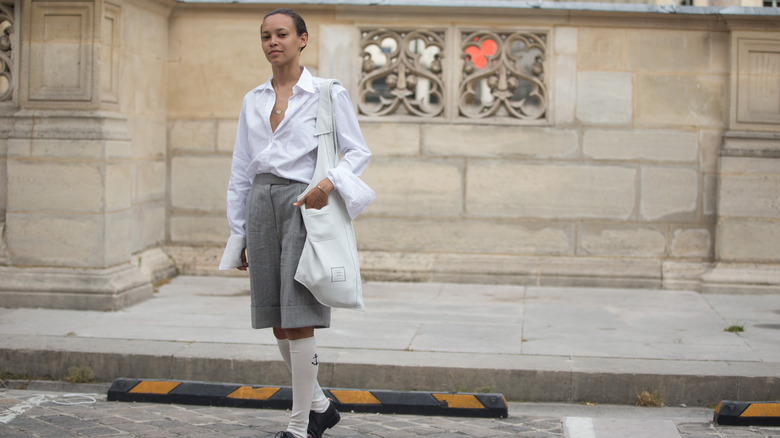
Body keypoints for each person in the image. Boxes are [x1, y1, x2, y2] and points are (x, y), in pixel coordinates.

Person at [218, 8, 373, 438]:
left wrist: (329, 182)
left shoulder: (326, 92)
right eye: (266, 35)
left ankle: (299, 425)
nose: (273, 42)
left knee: (299, 313)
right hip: (260, 202)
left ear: (301, 39)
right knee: (276, 317)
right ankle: (321, 405)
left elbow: (358, 152)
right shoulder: (253, 99)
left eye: (282, 34)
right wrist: (240, 232)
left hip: (305, 201)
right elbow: (241, 168)